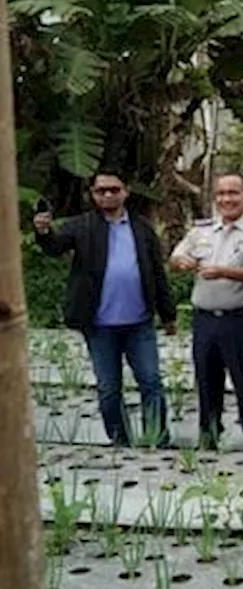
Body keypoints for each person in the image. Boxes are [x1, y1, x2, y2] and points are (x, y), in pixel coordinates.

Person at [33, 168, 176, 447]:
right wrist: (43, 231)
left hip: (139, 322)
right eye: (102, 191)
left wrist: (168, 314)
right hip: (99, 324)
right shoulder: (82, 226)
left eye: (114, 189)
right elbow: (55, 247)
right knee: (109, 388)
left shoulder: (142, 228)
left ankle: (157, 439)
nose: (108, 195)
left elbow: (158, 274)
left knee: (151, 382)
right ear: (93, 195)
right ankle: (120, 440)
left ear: (126, 192)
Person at [170, 172, 243, 449]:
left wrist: (223, 271)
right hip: (205, 319)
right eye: (221, 194)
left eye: (233, 193)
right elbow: (177, 255)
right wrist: (181, 262)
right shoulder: (201, 230)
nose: (226, 199)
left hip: (240, 318)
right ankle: (209, 435)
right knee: (206, 379)